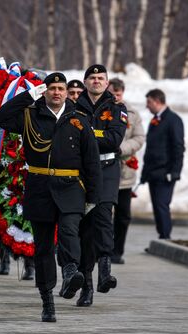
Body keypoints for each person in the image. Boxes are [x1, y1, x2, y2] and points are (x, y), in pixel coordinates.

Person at [0, 72, 101, 322]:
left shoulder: (79, 119)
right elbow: (1, 118)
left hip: (71, 186)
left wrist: (94, 197)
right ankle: (47, 300)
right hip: (40, 186)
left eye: (61, 88)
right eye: (51, 88)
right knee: (43, 247)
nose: (56, 92)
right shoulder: (30, 115)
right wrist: (29, 94)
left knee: (68, 231)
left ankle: (71, 271)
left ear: (67, 92)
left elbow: (92, 161)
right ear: (45, 91)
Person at [75, 65, 127, 307]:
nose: (96, 81)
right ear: (85, 82)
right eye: (92, 78)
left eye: (100, 78)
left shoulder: (117, 108)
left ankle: (105, 270)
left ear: (107, 83)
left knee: (104, 217)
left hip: (106, 170)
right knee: (84, 228)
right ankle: (86, 284)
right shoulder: (73, 106)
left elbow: (114, 140)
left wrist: (87, 135)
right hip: (80, 172)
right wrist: (97, 135)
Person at [107, 78, 145, 264]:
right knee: (102, 214)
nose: (115, 97)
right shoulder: (101, 110)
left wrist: (122, 148)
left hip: (124, 174)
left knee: (123, 216)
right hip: (103, 171)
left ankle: (117, 251)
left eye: (118, 94)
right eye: (112, 93)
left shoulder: (132, 113)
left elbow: (139, 137)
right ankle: (101, 250)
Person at [140, 89, 184, 239]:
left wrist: (175, 171)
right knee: (157, 206)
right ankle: (162, 236)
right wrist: (145, 173)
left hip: (166, 173)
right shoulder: (155, 120)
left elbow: (178, 147)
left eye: (149, 102)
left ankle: (165, 237)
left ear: (157, 101)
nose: (147, 106)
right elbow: (150, 149)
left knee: (162, 206)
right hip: (154, 173)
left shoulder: (173, 120)